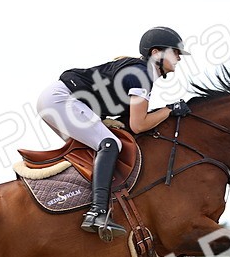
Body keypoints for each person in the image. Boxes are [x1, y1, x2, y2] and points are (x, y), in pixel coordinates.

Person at [36, 26, 192, 240]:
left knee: (94, 149)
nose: (179, 58)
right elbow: (139, 125)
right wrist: (170, 110)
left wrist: (166, 111)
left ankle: (73, 199)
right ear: (156, 53)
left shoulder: (139, 72)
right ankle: (97, 212)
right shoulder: (141, 74)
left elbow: (130, 123)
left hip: (57, 100)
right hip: (62, 100)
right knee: (110, 143)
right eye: (175, 52)